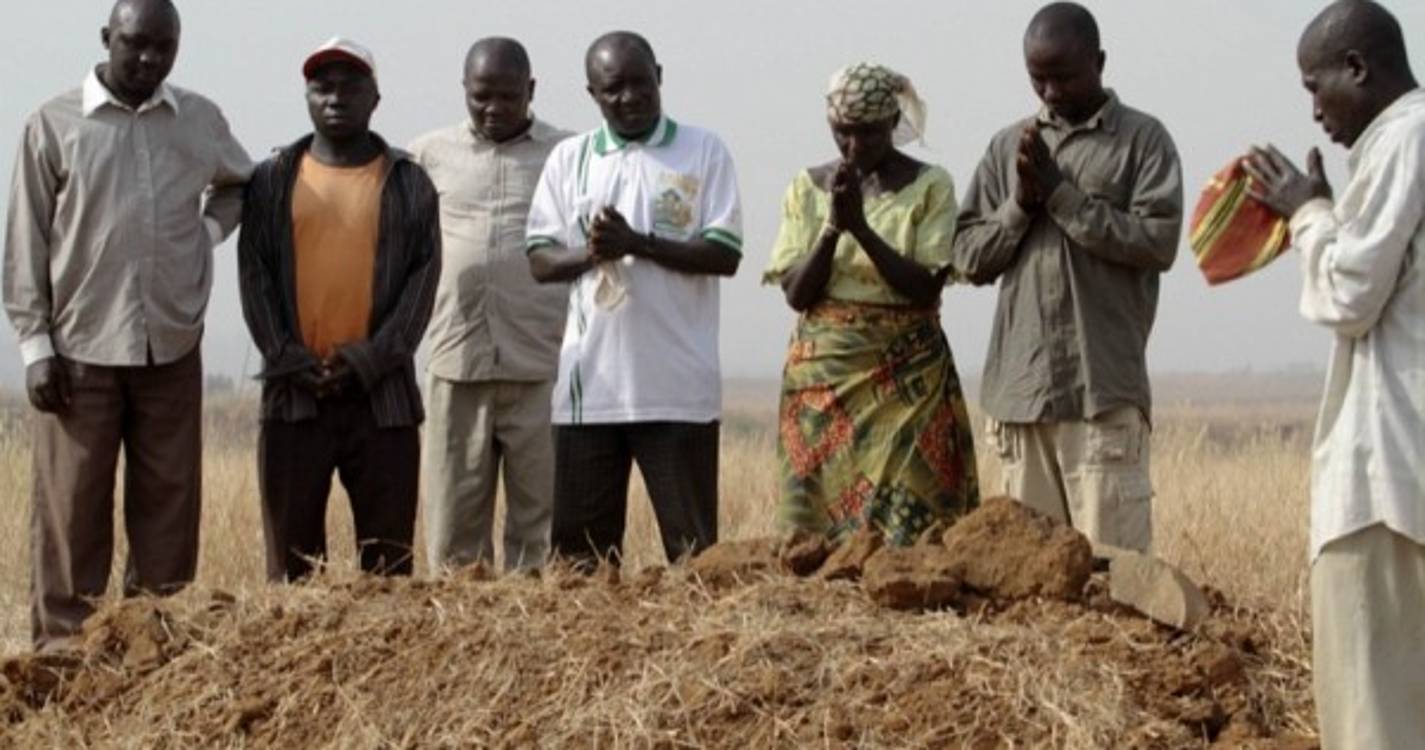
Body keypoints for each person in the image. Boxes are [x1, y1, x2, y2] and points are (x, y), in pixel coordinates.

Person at [2, 0, 252, 650]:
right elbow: (24, 241)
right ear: (106, 37)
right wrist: (35, 347)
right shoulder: (52, 125)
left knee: (169, 511)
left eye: (163, 48)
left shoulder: (198, 120)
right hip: (77, 354)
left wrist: (205, 231)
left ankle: (155, 656)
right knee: (71, 515)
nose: (148, 59)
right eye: (135, 44)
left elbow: (241, 185)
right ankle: (63, 659)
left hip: (170, 346)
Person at [1244, 2, 1425, 745]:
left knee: (1372, 714)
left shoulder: (1406, 137)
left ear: (1356, 68)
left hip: (1385, 477)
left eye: (1314, 87)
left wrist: (1308, 213)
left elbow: (1350, 293)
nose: (1314, 109)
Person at [952, 2, 1183, 553]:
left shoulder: (1144, 141)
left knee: (1115, 581)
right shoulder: (1008, 147)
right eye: (1038, 78)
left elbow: (1158, 241)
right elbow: (965, 256)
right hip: (1020, 397)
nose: (1050, 92)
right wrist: (1020, 206)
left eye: (1064, 76)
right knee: (1029, 587)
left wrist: (1061, 196)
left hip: (1100, 393)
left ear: (1099, 62)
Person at [526, 31, 743, 569]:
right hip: (589, 394)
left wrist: (639, 244)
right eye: (613, 88)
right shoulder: (570, 159)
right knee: (581, 566)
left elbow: (723, 253)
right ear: (592, 94)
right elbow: (539, 258)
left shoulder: (703, 150)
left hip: (677, 391)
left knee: (695, 560)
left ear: (659, 77)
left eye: (640, 83)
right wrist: (594, 253)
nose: (629, 97)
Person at [237, 37, 440, 582]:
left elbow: (422, 286)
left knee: (389, 568)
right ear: (306, 96)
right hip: (293, 400)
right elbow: (254, 277)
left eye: (351, 88)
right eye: (322, 87)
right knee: (292, 573)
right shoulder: (272, 179)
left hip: (382, 401)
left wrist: (368, 360)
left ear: (376, 99)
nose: (335, 98)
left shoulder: (409, 181)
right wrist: (288, 358)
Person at [762, 63, 979, 546]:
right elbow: (797, 294)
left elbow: (925, 286)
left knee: (910, 523)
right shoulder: (807, 188)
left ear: (892, 124)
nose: (855, 147)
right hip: (823, 379)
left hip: (909, 378)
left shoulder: (930, 186)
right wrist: (834, 227)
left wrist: (863, 228)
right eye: (843, 134)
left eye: (869, 133)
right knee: (812, 531)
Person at [411, 38, 571, 573]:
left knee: (541, 535)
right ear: (464, 90)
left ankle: (537, 644)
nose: (493, 108)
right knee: (453, 538)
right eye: (481, 96)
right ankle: (459, 644)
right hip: (457, 362)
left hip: (541, 364)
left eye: (507, 95)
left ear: (531, 90)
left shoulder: (567, 154)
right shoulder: (426, 155)